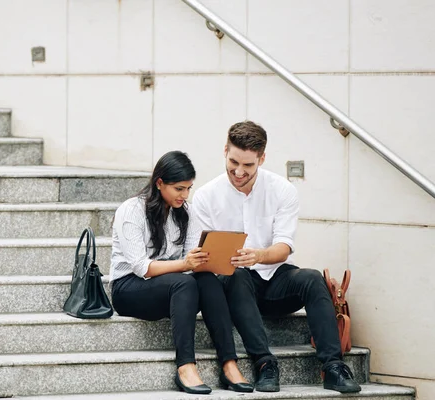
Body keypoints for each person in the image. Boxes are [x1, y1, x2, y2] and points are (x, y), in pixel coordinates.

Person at [192, 121, 362, 394]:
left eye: (248, 165)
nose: (238, 171)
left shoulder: (282, 190)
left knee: (311, 278)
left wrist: (258, 255)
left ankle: (333, 367)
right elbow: (200, 256)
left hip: (275, 280)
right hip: (235, 285)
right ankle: (264, 363)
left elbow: (283, 247)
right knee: (236, 276)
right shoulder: (205, 196)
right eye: (233, 161)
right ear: (225, 150)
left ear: (262, 158)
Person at [110, 150, 254, 395]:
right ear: (159, 183)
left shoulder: (185, 212)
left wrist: (216, 259)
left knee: (208, 280)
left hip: (170, 286)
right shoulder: (131, 210)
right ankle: (185, 366)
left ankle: (229, 363)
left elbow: (191, 260)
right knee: (184, 284)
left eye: (188, 188)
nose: (185, 195)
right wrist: (186, 265)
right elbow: (141, 267)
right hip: (129, 288)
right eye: (179, 189)